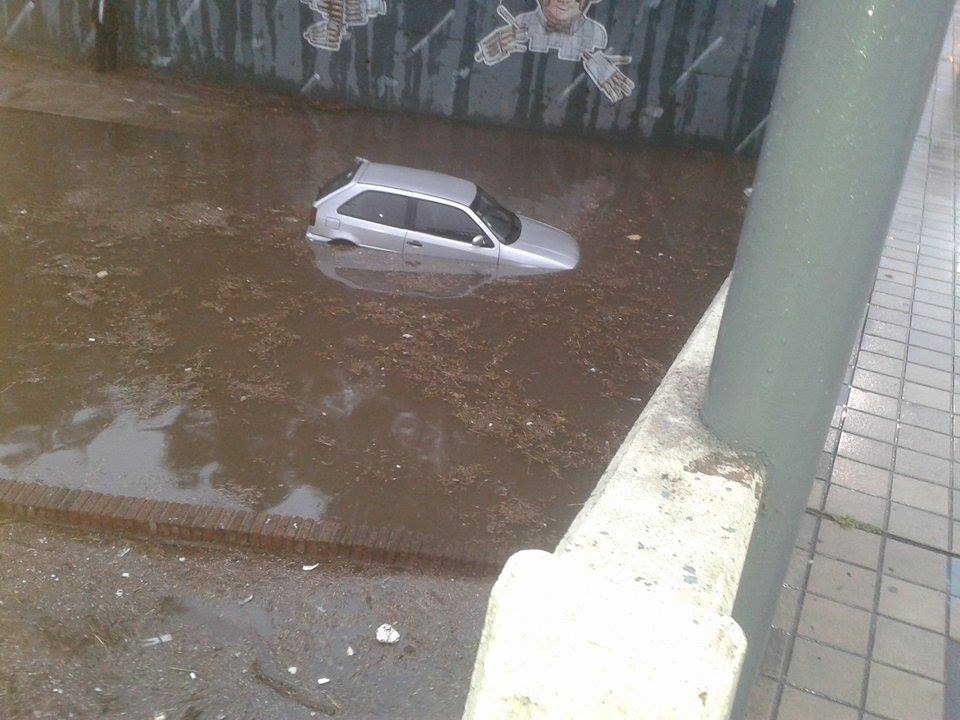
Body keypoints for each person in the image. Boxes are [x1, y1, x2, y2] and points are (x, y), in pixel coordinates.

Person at [90, 0, 120, 72]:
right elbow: (94, 8)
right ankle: (100, 66)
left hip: (111, 25)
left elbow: (117, 8)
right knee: (99, 46)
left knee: (112, 46)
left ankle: (112, 67)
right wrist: (93, 20)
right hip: (99, 24)